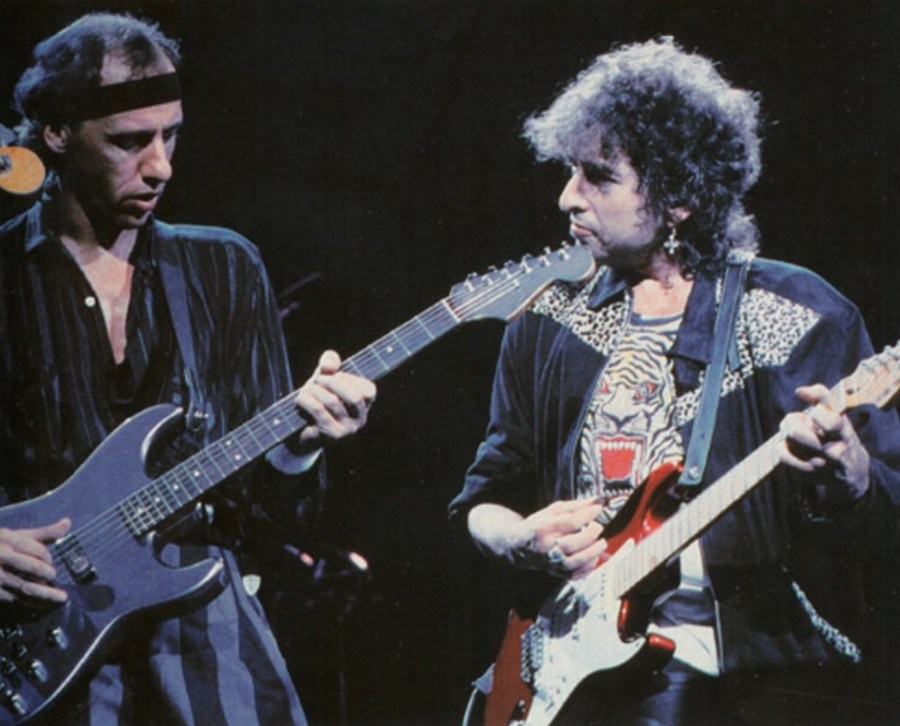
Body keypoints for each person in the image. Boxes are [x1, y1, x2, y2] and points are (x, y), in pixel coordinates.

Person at [450, 37, 900, 724]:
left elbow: (886, 521)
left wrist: (854, 476)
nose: (567, 197)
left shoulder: (798, 314)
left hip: (742, 676)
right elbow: (485, 496)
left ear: (680, 196)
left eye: (598, 177)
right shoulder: (547, 319)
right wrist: (517, 538)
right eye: (570, 171)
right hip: (573, 668)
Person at [0, 12, 376, 724]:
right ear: (56, 132)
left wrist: (298, 447)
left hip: (206, 645)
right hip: (39, 645)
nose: (161, 166)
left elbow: (266, 510)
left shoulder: (223, 267)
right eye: (129, 141)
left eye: (170, 136)